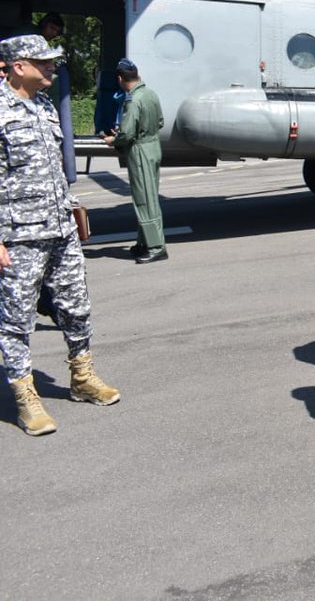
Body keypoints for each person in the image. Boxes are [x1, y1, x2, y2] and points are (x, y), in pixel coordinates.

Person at [0, 35, 121, 436]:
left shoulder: (45, 106)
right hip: (19, 236)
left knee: (76, 305)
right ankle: (25, 396)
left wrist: (71, 210)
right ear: (19, 66)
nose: (53, 67)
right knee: (16, 320)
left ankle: (82, 378)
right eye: (44, 61)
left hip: (60, 229)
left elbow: (54, 168)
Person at [102, 59, 166, 263]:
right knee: (149, 196)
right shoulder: (151, 94)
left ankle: (156, 247)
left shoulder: (133, 100)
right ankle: (145, 242)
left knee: (144, 200)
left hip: (140, 152)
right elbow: (161, 121)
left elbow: (128, 134)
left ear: (120, 79)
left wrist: (114, 139)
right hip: (153, 147)